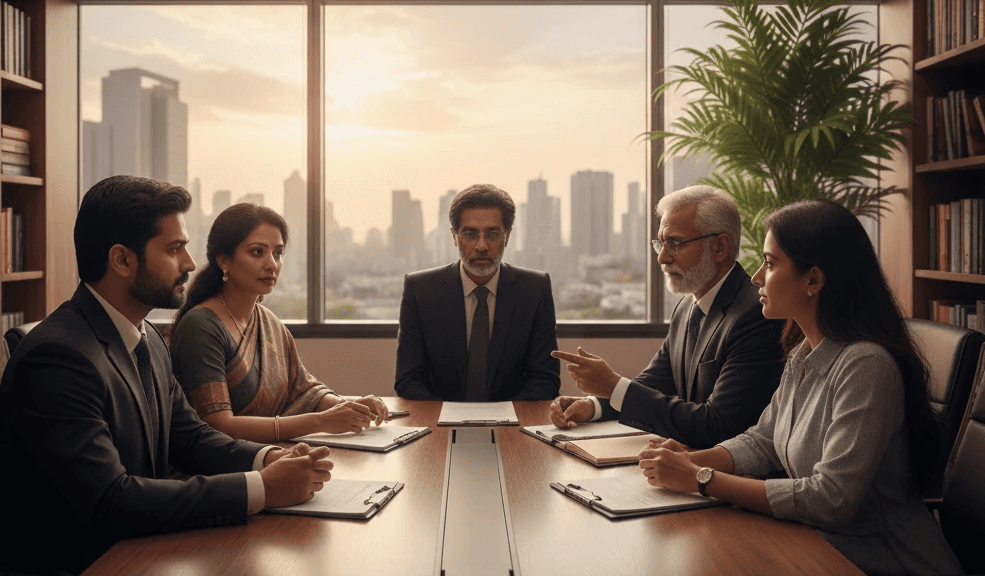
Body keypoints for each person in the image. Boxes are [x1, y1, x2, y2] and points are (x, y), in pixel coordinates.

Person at [0, 176, 333, 575]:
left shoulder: (145, 335)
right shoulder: (57, 358)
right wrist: (263, 489)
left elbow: (189, 438)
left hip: (135, 548)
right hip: (70, 562)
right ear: (122, 260)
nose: (188, 263)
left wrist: (269, 457)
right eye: (174, 249)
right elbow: (109, 500)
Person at [638, 200, 963, 576]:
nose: (756, 277)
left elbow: (830, 499)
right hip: (816, 545)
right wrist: (690, 461)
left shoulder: (866, 366)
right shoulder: (803, 354)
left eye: (771, 263)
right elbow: (762, 441)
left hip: (882, 560)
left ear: (813, 280)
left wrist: (700, 479)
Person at [550, 185, 784, 448]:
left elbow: (719, 425)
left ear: (719, 246)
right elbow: (657, 382)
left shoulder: (757, 314)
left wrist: (612, 386)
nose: (662, 257)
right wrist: (594, 404)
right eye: (660, 243)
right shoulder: (687, 306)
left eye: (675, 243)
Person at [169, 203, 388, 442]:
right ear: (224, 260)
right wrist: (321, 422)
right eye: (257, 252)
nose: (272, 264)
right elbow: (218, 426)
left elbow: (305, 392)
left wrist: (350, 406)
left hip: (275, 456)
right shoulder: (201, 327)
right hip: (222, 471)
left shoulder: (268, 322)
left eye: (278, 253)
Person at [394, 183, 560, 401]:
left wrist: (501, 419)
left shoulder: (534, 289)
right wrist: (449, 419)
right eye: (470, 234)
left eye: (492, 234)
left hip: (512, 423)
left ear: (507, 236)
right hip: (440, 424)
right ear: (454, 237)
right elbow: (408, 381)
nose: (481, 246)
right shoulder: (421, 289)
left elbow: (545, 381)